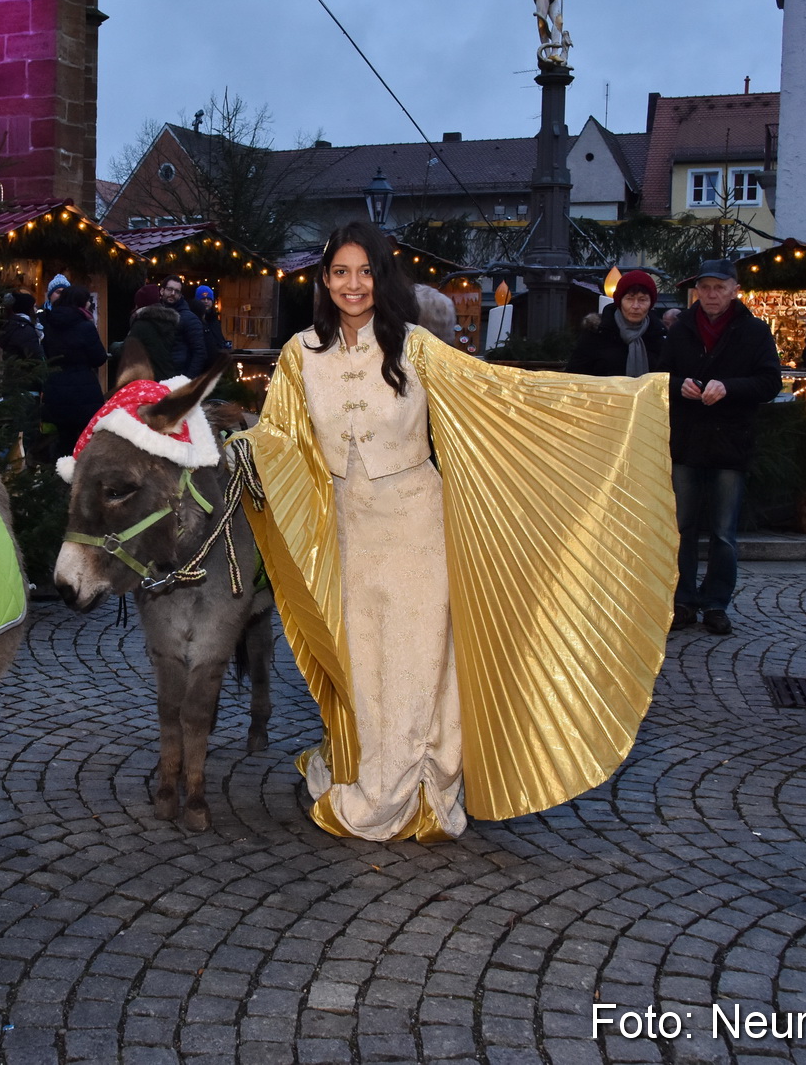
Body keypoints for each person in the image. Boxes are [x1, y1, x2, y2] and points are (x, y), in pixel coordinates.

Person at [238, 221, 676, 841]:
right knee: (361, 660)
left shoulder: (415, 347)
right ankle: (369, 765)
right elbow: (280, 435)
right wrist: (237, 447)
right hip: (345, 529)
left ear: (382, 277)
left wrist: (617, 402)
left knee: (417, 659)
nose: (353, 284)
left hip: (418, 521)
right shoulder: (299, 354)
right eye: (341, 272)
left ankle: (407, 788)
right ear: (325, 279)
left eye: (365, 271)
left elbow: (502, 397)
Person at [658, 259, 783, 636]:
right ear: (697, 291)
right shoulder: (680, 329)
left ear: (734, 290)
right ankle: (681, 600)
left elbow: (769, 382)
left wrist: (729, 387)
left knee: (724, 532)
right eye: (705, 287)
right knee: (681, 527)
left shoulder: (754, 331)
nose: (711, 295)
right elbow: (658, 376)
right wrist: (677, 384)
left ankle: (716, 603)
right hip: (688, 442)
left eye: (719, 287)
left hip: (731, 442)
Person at [39, 285, 108, 461]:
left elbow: (46, 352)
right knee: (86, 440)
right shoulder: (85, 326)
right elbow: (99, 357)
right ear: (80, 302)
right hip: (83, 391)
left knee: (64, 440)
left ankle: (60, 479)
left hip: (56, 388)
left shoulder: (50, 324)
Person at [566, 270, 666, 376]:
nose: (635, 306)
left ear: (651, 303)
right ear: (620, 301)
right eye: (629, 299)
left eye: (642, 300)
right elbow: (574, 377)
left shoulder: (658, 337)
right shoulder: (597, 334)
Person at [122, 283, 182, 381]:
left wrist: (114, 347)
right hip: (168, 377)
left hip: (149, 379)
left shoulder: (141, 325)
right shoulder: (169, 322)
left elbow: (127, 350)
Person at [159, 275, 208, 378]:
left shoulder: (189, 318)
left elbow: (199, 353)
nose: (173, 294)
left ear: (180, 295)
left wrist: (186, 380)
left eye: (177, 291)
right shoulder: (156, 314)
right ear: (162, 291)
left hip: (177, 376)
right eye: (170, 289)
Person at [0, 289, 44, 364]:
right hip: (27, 372)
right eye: (34, 307)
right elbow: (36, 357)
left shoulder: (13, 325)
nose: (36, 310)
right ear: (28, 309)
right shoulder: (25, 330)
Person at [193, 285, 233, 358]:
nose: (206, 301)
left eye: (208, 299)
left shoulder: (214, 320)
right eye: (203, 299)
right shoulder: (194, 319)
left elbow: (219, 339)